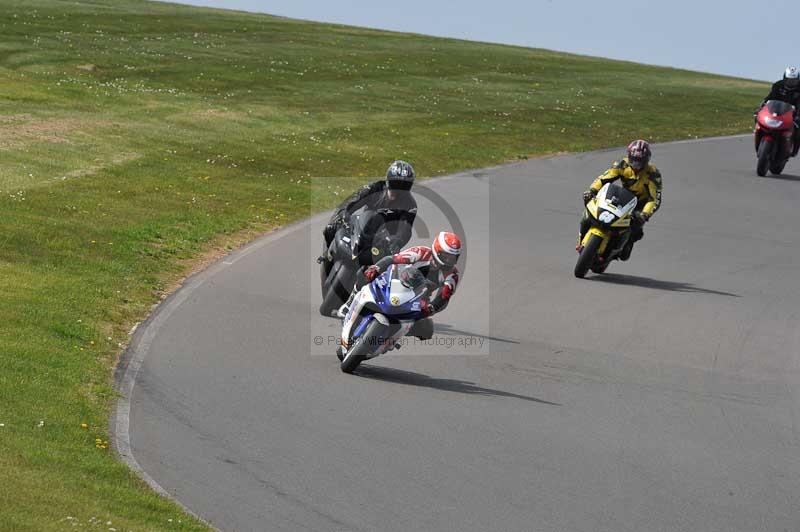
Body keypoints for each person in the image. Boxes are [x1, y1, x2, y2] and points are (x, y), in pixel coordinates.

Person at [340, 232, 462, 341]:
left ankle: (391, 340)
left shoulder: (452, 275)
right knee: (364, 272)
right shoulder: (421, 252)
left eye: (452, 258)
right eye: (446, 256)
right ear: (437, 251)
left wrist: (431, 308)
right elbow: (393, 259)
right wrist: (376, 268)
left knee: (427, 330)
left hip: (418, 298)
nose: (449, 261)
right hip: (395, 280)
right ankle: (350, 302)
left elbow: (444, 297)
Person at [580, 140, 662, 260]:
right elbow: (604, 179)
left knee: (635, 230)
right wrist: (592, 190)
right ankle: (582, 237)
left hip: (640, 205)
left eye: (640, 161)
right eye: (633, 160)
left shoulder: (653, 174)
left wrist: (644, 214)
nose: (636, 164)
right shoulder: (621, 164)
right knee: (590, 211)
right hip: (623, 197)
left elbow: (654, 199)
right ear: (629, 156)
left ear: (646, 160)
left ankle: (624, 246)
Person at [322, 160, 417, 257]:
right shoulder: (374, 188)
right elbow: (351, 202)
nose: (397, 190)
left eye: (403, 187)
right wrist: (344, 213)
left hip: (385, 240)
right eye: (395, 184)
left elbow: (405, 229)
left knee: (393, 259)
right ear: (388, 181)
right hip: (363, 228)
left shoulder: (410, 205)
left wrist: (397, 241)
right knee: (330, 228)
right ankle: (326, 256)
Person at [759, 66, 800, 156]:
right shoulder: (778, 85)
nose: (791, 82)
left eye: (794, 80)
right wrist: (761, 107)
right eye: (789, 80)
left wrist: (797, 115)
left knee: (798, 128)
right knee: (758, 117)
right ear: (784, 78)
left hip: (795, 112)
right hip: (777, 109)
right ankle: (760, 135)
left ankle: (795, 148)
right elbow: (770, 97)